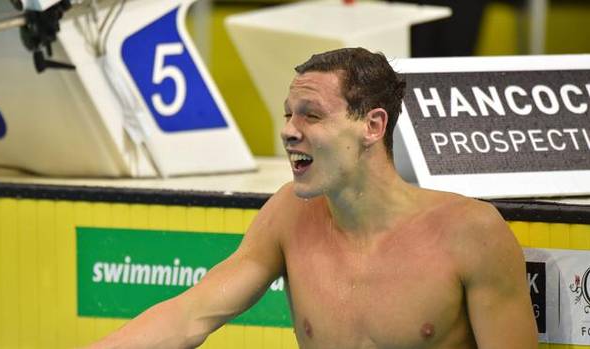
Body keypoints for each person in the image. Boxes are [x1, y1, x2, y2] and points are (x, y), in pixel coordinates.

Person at [86, 47, 538, 349]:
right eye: (287, 114)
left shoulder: (470, 233)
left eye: (311, 115)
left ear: (372, 126)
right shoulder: (290, 213)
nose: (288, 131)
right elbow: (190, 315)